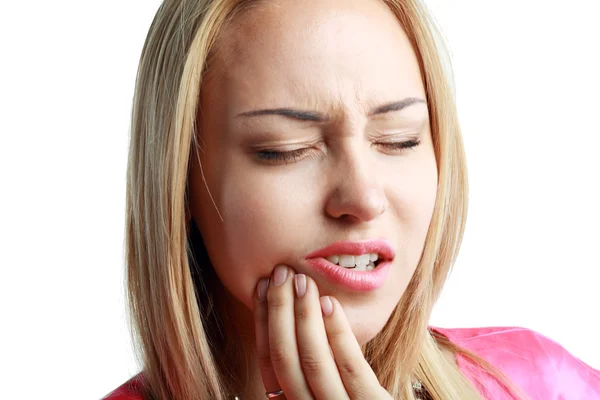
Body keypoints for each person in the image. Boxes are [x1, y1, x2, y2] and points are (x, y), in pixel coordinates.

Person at [103, 0, 600, 399]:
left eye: (399, 139)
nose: (363, 197)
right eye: (285, 150)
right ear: (179, 180)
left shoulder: (543, 384)